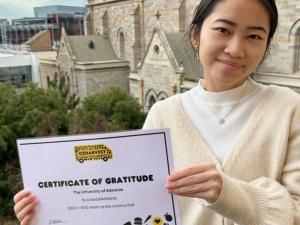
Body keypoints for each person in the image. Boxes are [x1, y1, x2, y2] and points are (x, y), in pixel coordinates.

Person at [13, 0, 300, 225]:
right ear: (195, 35)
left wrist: (229, 194)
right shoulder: (164, 113)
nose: (236, 49)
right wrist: (53, 213)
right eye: (223, 30)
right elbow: (135, 206)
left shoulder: (288, 109)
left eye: (254, 36)